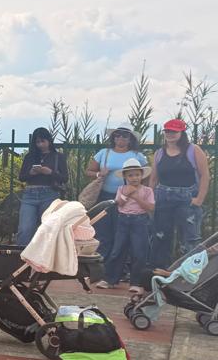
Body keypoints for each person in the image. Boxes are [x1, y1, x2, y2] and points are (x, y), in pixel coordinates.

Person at [150, 118, 210, 270]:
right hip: (163, 198)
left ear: (182, 133)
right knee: (161, 236)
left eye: (174, 131)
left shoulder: (193, 150)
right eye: (167, 131)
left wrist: (199, 199)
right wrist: (151, 198)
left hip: (187, 198)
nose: (170, 134)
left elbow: (205, 175)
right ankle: (161, 271)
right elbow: (154, 178)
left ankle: (191, 272)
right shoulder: (159, 153)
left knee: (190, 239)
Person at [85, 127, 147, 261]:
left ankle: (119, 264)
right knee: (103, 231)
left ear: (130, 139)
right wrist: (99, 174)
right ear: (113, 138)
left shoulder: (137, 156)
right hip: (105, 196)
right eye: (117, 135)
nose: (120, 138)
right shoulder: (104, 153)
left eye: (124, 135)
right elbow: (89, 171)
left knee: (121, 232)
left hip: (129, 199)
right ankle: (102, 262)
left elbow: (146, 175)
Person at [102, 159, 154, 294]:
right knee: (118, 250)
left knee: (139, 252)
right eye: (130, 175)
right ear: (125, 177)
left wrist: (136, 197)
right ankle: (110, 279)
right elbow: (118, 203)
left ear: (142, 175)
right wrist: (126, 194)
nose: (134, 178)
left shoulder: (147, 190)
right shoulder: (121, 189)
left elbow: (150, 207)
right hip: (123, 220)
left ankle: (136, 282)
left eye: (137, 175)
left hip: (140, 221)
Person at [15, 127, 67, 247]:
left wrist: (50, 172)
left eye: (43, 141)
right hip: (30, 194)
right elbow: (22, 177)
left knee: (48, 229)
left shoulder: (58, 157)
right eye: (37, 142)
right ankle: (21, 255)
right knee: (25, 229)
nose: (40, 145)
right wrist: (31, 173)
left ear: (49, 140)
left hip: (49, 194)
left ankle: (45, 256)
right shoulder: (30, 156)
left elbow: (65, 178)